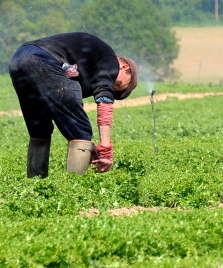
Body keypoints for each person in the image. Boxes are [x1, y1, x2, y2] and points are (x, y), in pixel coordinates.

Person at [8, 32, 138, 177]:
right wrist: (105, 148)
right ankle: (74, 189)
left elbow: (65, 109)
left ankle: (34, 186)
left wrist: (86, 144)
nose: (111, 85)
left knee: (40, 129)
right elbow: (104, 102)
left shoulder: (90, 65)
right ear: (125, 67)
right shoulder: (110, 60)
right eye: (118, 84)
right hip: (44, 57)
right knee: (81, 129)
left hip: (18, 59)